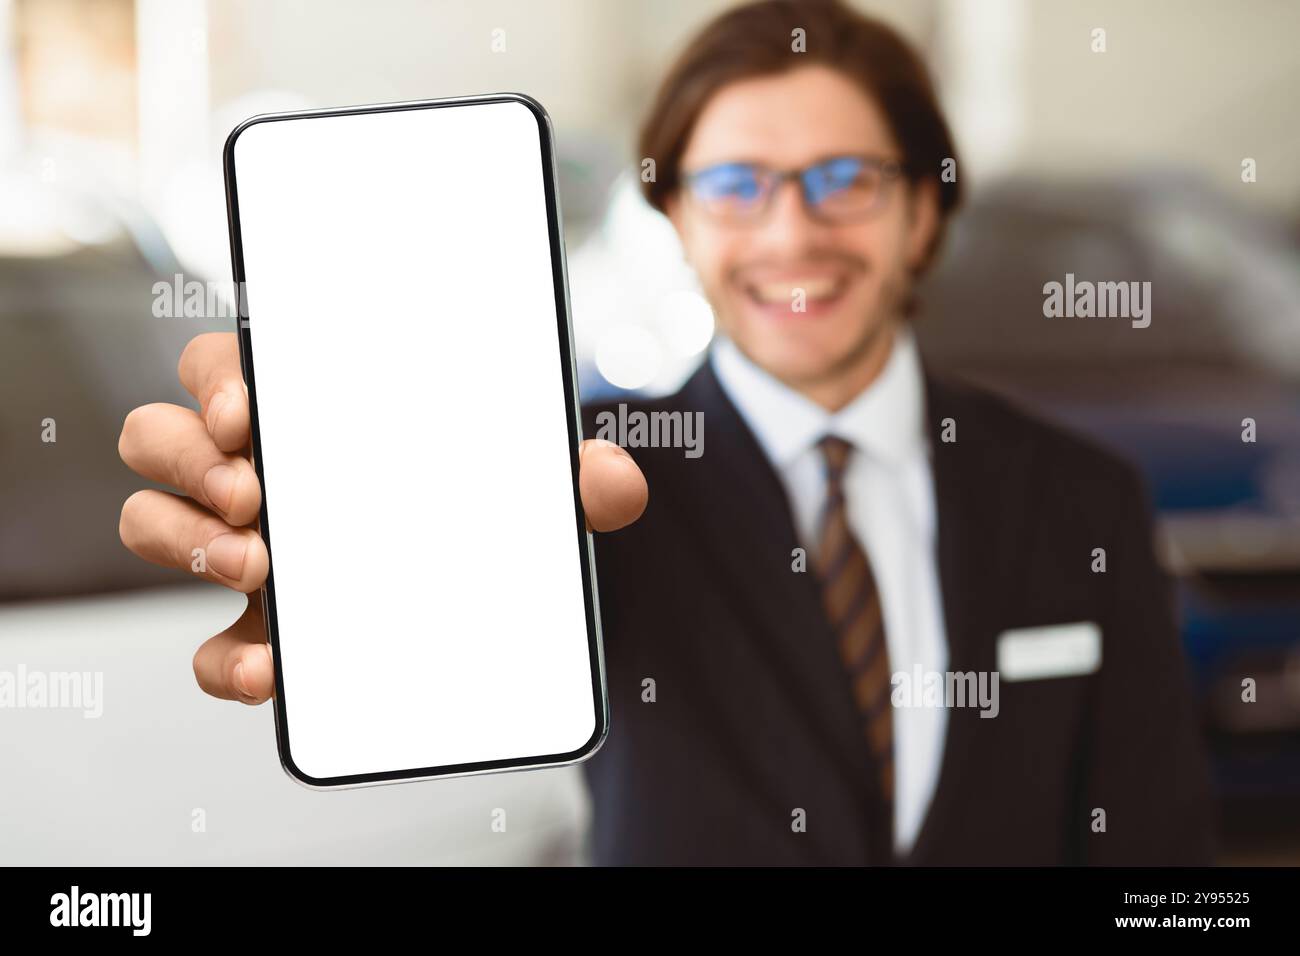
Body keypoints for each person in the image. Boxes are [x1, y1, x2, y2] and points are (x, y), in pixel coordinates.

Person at [118, 0, 1213, 865]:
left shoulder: (1083, 495)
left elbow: (1158, 848)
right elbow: (458, 600)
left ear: (923, 211)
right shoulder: (588, 477)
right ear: (676, 217)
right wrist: (346, 557)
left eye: (845, 180)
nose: (792, 231)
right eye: (735, 184)